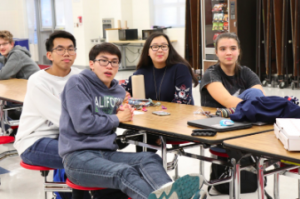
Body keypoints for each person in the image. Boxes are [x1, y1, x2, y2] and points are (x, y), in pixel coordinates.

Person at [58, 43, 203, 199]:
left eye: (114, 62)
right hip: (78, 157)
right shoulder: (77, 83)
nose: (109, 65)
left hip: (107, 153)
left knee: (150, 158)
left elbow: (102, 113)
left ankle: (170, 193)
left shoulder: (118, 92)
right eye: (103, 61)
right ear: (92, 64)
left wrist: (119, 111)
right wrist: (116, 118)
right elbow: (83, 124)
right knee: (123, 172)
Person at [14, 30, 81, 169]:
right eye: (60, 49)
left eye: (70, 49)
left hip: (66, 137)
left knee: (96, 154)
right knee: (86, 157)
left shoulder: (80, 76)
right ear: (49, 55)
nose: (66, 53)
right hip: (35, 140)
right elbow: (63, 118)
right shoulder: (38, 81)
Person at [123, 32, 198, 151]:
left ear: (169, 49)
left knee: (142, 135)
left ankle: (130, 139)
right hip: (150, 124)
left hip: (177, 123)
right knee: (142, 133)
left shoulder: (180, 69)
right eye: (155, 46)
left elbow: (181, 104)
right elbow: (123, 89)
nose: (160, 50)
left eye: (164, 46)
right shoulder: (141, 72)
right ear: (148, 51)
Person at [200, 32, 265, 108]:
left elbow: (261, 98)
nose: (228, 53)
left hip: (243, 115)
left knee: (255, 93)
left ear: (239, 51)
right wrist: (257, 107)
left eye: (233, 48)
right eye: (223, 49)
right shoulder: (211, 74)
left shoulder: (246, 72)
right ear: (216, 52)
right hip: (217, 117)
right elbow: (228, 101)